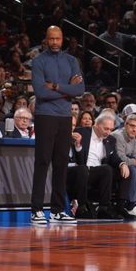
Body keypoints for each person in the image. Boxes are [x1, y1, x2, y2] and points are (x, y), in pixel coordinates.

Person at [30, 26, 85, 225]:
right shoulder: (38, 61)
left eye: (58, 39)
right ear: (46, 40)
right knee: (43, 161)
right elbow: (40, 92)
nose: (54, 42)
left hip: (64, 116)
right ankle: (36, 210)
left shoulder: (71, 61)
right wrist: (67, 90)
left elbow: (80, 89)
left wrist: (55, 86)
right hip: (45, 115)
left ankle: (57, 210)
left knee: (61, 163)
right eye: (51, 39)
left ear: (63, 40)